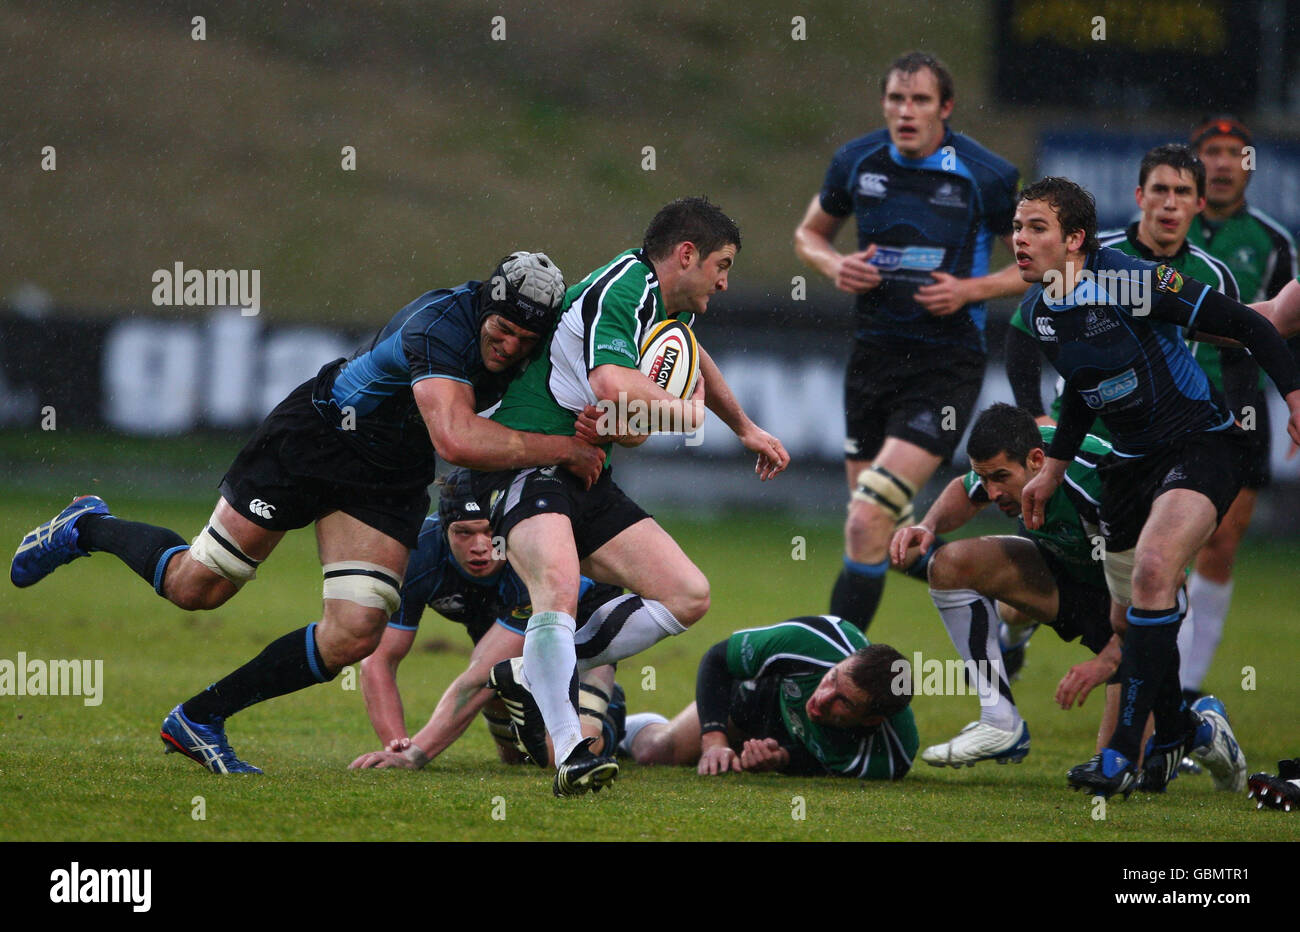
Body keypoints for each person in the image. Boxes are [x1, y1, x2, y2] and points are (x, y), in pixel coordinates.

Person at [10, 252, 605, 773]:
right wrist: (567, 449)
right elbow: (455, 441)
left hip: (387, 477)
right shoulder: (440, 326)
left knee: (354, 633)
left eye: (527, 343)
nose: (511, 350)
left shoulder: (522, 342)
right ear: (484, 307)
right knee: (198, 588)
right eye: (503, 332)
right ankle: (85, 526)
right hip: (317, 439)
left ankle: (200, 717)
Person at [477, 196, 790, 796]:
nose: (725, 282)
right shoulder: (623, 287)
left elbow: (677, 374)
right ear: (687, 255)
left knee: (686, 593)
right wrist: (685, 416)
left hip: (586, 474)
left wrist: (745, 428)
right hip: (530, 462)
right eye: (722, 266)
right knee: (559, 593)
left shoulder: (667, 312)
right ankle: (570, 750)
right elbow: (614, 386)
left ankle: (534, 672)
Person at [1012, 176, 1300, 797]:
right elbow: (1088, 397)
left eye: (1037, 228)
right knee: (1128, 620)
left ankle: (1122, 754)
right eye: (1017, 227)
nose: (1021, 239)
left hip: (1203, 445)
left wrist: (1295, 396)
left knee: (1152, 572)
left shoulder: (1134, 280)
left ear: (1076, 240)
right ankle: (1186, 732)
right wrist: (1053, 469)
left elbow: (1250, 327)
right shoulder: (1041, 310)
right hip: (1128, 464)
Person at [1005, 145, 1253, 712]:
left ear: (1199, 205)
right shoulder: (1093, 257)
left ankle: (1156, 729)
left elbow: (1241, 341)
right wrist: (1035, 414)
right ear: (1138, 198)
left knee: (1155, 578)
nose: (1169, 205)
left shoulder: (1210, 274)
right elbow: (1023, 328)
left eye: (1183, 193)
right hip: (1093, 443)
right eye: (1158, 191)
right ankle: (1159, 723)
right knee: (1087, 569)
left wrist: (1246, 414)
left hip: (1176, 439)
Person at [793, 50, 1026, 633]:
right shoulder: (857, 162)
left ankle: (831, 666)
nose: (906, 110)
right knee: (874, 532)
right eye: (896, 98)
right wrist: (833, 265)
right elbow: (810, 234)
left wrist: (971, 290)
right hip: (871, 360)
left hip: (944, 367)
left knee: (867, 518)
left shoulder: (987, 175)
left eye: (920, 100)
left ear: (945, 108)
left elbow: (1037, 264)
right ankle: (1013, 605)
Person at [346, 469, 623, 771]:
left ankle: (617, 722)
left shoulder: (532, 552)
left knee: (560, 756)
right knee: (516, 758)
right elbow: (379, 660)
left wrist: (415, 755)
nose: (480, 546)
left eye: (490, 531)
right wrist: (397, 746)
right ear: (444, 529)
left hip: (580, 642)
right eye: (463, 532)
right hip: (502, 658)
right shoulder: (418, 555)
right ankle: (527, 699)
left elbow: (480, 676)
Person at [890, 403, 1118, 768]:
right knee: (948, 565)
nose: (992, 493)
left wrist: (1109, 657)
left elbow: (1161, 587)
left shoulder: (1099, 482)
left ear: (1037, 460)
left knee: (1117, 766)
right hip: (1061, 572)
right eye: (985, 478)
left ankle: (1201, 726)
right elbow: (964, 491)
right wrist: (928, 527)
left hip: (1125, 601)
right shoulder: (1016, 458)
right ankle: (1000, 721)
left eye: (999, 477)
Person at [1182, 116, 1298, 702]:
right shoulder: (1164, 227)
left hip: (1239, 401)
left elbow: (1286, 326)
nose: (1224, 163)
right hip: (1166, 399)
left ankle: (1185, 687)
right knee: (1152, 543)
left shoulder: (1274, 242)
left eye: (1236, 153)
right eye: (1213, 151)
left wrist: (1294, 394)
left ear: (1250, 165)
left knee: (1220, 543)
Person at [622, 615, 917, 780]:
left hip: (789, 739)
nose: (822, 698)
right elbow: (718, 660)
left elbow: (826, 765)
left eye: (844, 702)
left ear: (872, 719)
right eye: (832, 678)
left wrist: (782, 758)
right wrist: (714, 741)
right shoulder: (816, 640)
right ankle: (613, 716)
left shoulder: (889, 757)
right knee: (654, 753)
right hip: (762, 699)